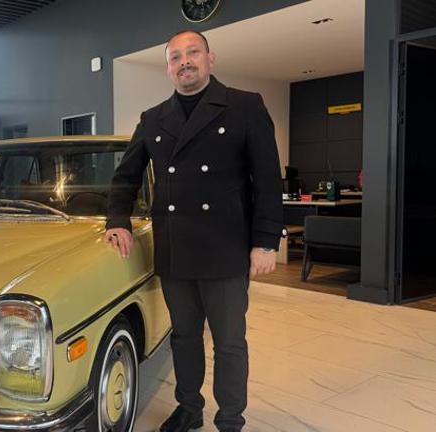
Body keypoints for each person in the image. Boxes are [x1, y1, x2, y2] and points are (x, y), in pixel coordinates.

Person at [105, 30, 284, 432]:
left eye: (193, 53)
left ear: (210, 58)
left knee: (229, 342)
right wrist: (117, 220)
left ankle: (230, 419)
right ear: (168, 68)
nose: (184, 61)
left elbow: (268, 180)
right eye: (175, 57)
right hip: (176, 249)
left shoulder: (244, 106)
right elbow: (125, 177)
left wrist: (265, 242)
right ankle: (189, 408)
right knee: (184, 338)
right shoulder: (153, 118)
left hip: (225, 249)